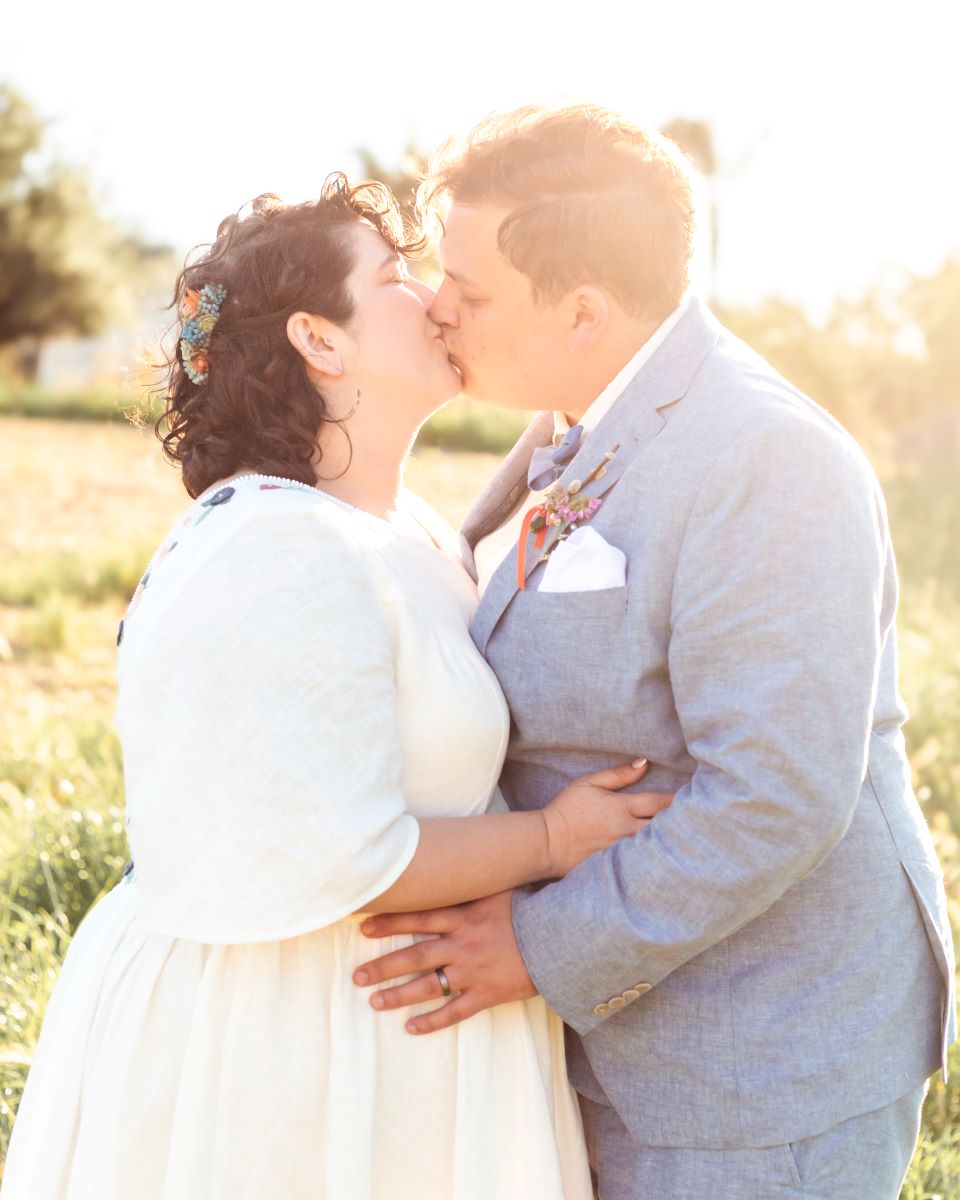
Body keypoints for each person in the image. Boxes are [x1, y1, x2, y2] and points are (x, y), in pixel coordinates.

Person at [0, 174, 675, 1200]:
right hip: (300, 1050)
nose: (440, 299)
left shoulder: (400, 530)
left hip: (395, 1025)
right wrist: (555, 841)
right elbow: (346, 852)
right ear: (322, 339)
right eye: (400, 276)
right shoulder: (281, 546)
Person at [352, 104, 957, 1200]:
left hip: (758, 1063)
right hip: (633, 1042)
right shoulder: (577, 414)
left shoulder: (768, 462)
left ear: (583, 310)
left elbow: (773, 795)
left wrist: (536, 946)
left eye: (470, 289)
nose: (435, 305)